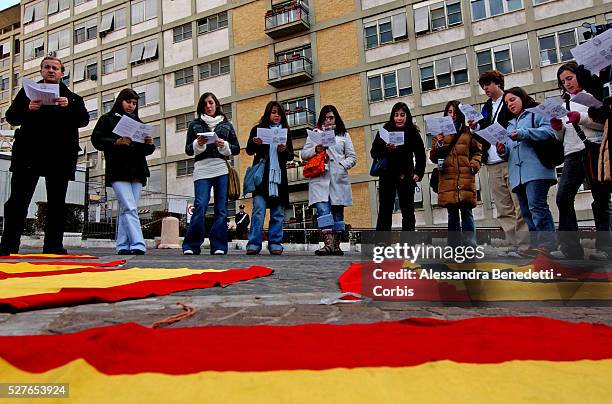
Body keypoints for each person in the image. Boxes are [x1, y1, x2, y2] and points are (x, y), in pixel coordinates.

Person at [0, 56, 89, 255]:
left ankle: (53, 245)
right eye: (47, 67)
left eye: (55, 68)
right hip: (29, 154)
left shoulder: (73, 98)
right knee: (18, 200)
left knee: (57, 202)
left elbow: (83, 120)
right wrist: (27, 108)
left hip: (60, 156)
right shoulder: (27, 93)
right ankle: (8, 245)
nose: (50, 71)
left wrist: (69, 107)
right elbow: (11, 116)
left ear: (62, 73)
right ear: (41, 71)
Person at [550, 62, 611, 260]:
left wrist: (582, 117)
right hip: (572, 154)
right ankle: (570, 248)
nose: (567, 84)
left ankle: (605, 248)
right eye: (563, 82)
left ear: (578, 76)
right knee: (563, 197)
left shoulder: (594, 96)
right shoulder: (562, 105)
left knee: (600, 200)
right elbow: (561, 137)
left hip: (592, 150)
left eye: (569, 78)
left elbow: (605, 125)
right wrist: (557, 127)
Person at [469, 70, 528, 256]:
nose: (485, 88)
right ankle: (514, 244)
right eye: (483, 85)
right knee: (503, 207)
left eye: (488, 84)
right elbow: (483, 131)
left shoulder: (510, 100)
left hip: (510, 158)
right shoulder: (486, 108)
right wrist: (476, 127)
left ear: (498, 83)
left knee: (519, 203)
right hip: (492, 161)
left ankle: (525, 245)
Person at [91, 89, 155, 255]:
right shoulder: (107, 119)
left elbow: (146, 151)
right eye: (128, 102)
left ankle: (122, 245)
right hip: (118, 169)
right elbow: (96, 139)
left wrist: (149, 143)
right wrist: (116, 141)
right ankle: (138, 243)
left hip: (137, 170)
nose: (131, 106)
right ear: (120, 101)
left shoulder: (139, 123)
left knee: (126, 209)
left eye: (134, 103)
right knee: (129, 206)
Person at [496, 87, 557, 257]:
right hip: (518, 174)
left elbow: (549, 132)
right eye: (507, 103)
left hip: (536, 169)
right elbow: (509, 150)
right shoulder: (508, 124)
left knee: (537, 206)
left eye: (513, 100)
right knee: (526, 211)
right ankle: (536, 245)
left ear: (522, 97)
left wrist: (524, 133)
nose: (510, 104)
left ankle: (548, 244)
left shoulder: (536, 113)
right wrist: (502, 149)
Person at [182, 92, 240, 255]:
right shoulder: (195, 124)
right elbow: (187, 150)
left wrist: (224, 145)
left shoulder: (226, 124)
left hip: (221, 168)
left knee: (221, 208)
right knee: (200, 205)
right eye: (205, 103)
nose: (208, 106)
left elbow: (236, 148)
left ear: (216, 105)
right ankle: (191, 245)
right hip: (202, 168)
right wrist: (197, 143)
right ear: (202, 106)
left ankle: (219, 246)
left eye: (211, 103)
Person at [301, 105, 356, 255]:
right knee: (323, 210)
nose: (328, 120)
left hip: (338, 179)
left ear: (336, 118)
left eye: (331, 117)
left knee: (337, 213)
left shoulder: (343, 135)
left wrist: (341, 165)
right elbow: (304, 154)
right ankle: (328, 245)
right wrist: (316, 149)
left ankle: (336, 246)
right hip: (320, 179)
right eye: (325, 118)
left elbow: (352, 157)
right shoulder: (314, 134)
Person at [430, 101, 482, 247]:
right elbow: (433, 157)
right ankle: (453, 246)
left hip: (465, 177)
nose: (451, 115)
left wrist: (473, 166)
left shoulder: (468, 132)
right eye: (449, 112)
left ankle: (470, 246)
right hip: (448, 178)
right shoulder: (439, 134)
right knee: (452, 213)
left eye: (454, 112)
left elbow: (478, 151)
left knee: (467, 212)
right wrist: (439, 143)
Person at [245, 101, 294, 255]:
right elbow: (249, 150)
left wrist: (283, 149)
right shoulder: (258, 130)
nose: (276, 115)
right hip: (262, 177)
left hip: (278, 179)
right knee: (258, 209)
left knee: (278, 212)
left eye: (279, 113)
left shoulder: (286, 132)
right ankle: (254, 243)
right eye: (273, 112)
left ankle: (275, 243)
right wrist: (256, 143)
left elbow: (290, 156)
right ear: (268, 113)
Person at [371, 102, 426, 231]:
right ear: (392, 116)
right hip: (387, 174)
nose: (399, 118)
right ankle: (382, 242)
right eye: (396, 115)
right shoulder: (385, 130)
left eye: (402, 115)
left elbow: (420, 154)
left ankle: (408, 243)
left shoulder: (412, 132)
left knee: (407, 210)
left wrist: (418, 173)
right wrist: (386, 148)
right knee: (385, 208)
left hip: (406, 175)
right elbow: (374, 152)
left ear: (407, 116)